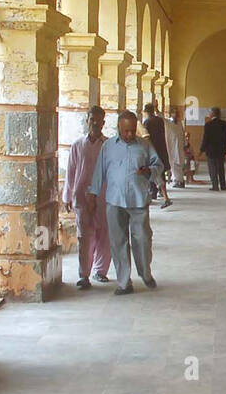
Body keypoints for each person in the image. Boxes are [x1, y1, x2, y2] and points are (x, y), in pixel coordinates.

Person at [87, 110, 160, 294]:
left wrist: (149, 171)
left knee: (142, 239)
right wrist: (93, 195)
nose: (129, 134)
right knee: (118, 241)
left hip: (138, 200)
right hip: (115, 200)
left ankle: (145, 273)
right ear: (118, 127)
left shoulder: (144, 145)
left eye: (132, 130)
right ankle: (124, 282)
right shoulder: (108, 146)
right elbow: (99, 172)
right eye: (126, 130)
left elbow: (158, 165)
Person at [63, 106, 111, 289]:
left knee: (104, 235)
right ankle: (84, 275)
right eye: (92, 119)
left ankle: (100, 271)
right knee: (84, 236)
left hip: (103, 196)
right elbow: (71, 172)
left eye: (99, 120)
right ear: (87, 120)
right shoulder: (78, 145)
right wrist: (67, 195)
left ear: (104, 123)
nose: (96, 123)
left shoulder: (108, 146)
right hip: (81, 196)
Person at [141, 103, 173, 208]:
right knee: (160, 171)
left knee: (152, 173)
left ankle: (154, 193)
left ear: (146, 112)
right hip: (161, 147)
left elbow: (146, 137)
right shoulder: (159, 120)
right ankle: (162, 194)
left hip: (152, 149)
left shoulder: (147, 122)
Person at [200, 106, 226, 191]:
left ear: (212, 113)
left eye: (210, 112)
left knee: (212, 168)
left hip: (211, 150)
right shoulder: (224, 124)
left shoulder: (208, 125)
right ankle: (223, 186)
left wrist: (201, 150)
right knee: (221, 167)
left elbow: (206, 139)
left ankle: (215, 186)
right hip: (221, 149)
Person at [165, 104, 187, 189]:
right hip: (172, 148)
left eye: (176, 114)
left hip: (179, 147)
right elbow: (161, 118)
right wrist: (156, 109)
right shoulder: (168, 122)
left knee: (178, 165)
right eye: (173, 113)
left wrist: (185, 144)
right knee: (174, 165)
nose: (174, 115)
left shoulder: (179, 124)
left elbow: (183, 134)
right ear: (170, 114)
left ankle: (180, 181)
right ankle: (178, 181)